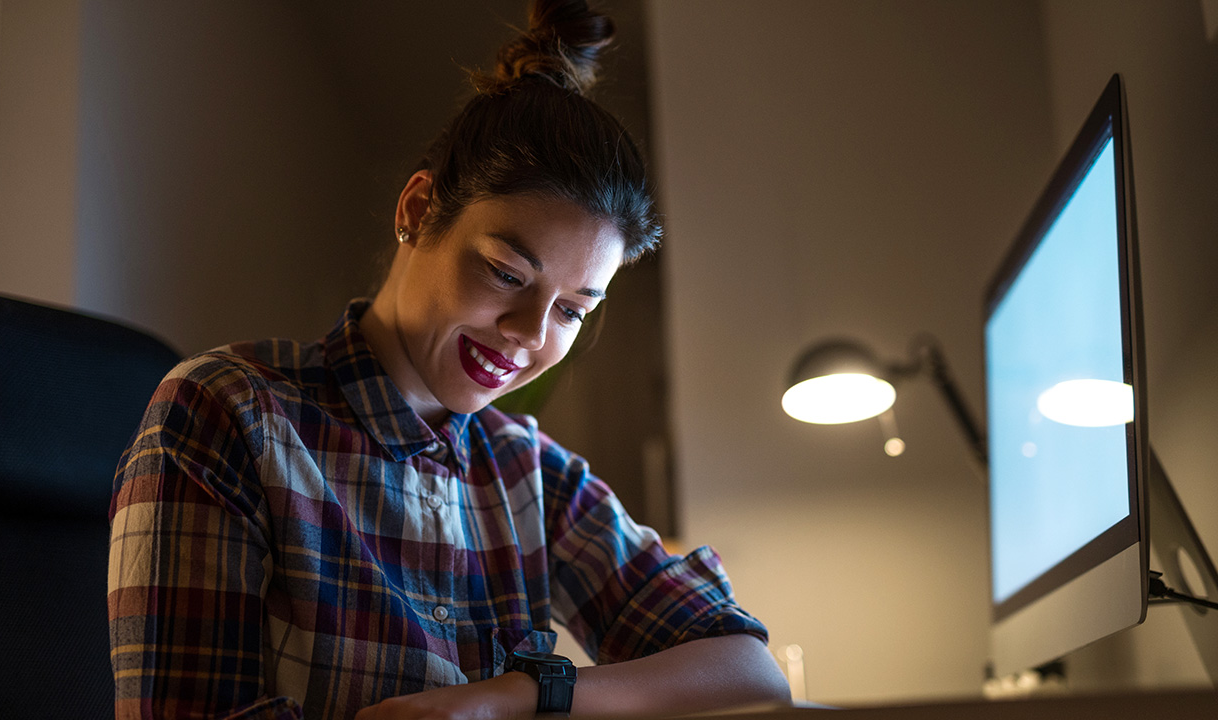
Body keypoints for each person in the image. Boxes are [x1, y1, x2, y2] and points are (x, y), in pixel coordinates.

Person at [107, 1, 791, 718]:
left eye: (571, 311)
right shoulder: (228, 413)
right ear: (417, 209)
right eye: (506, 272)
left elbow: (749, 672)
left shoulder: (530, 474)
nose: (530, 334)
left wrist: (519, 696)